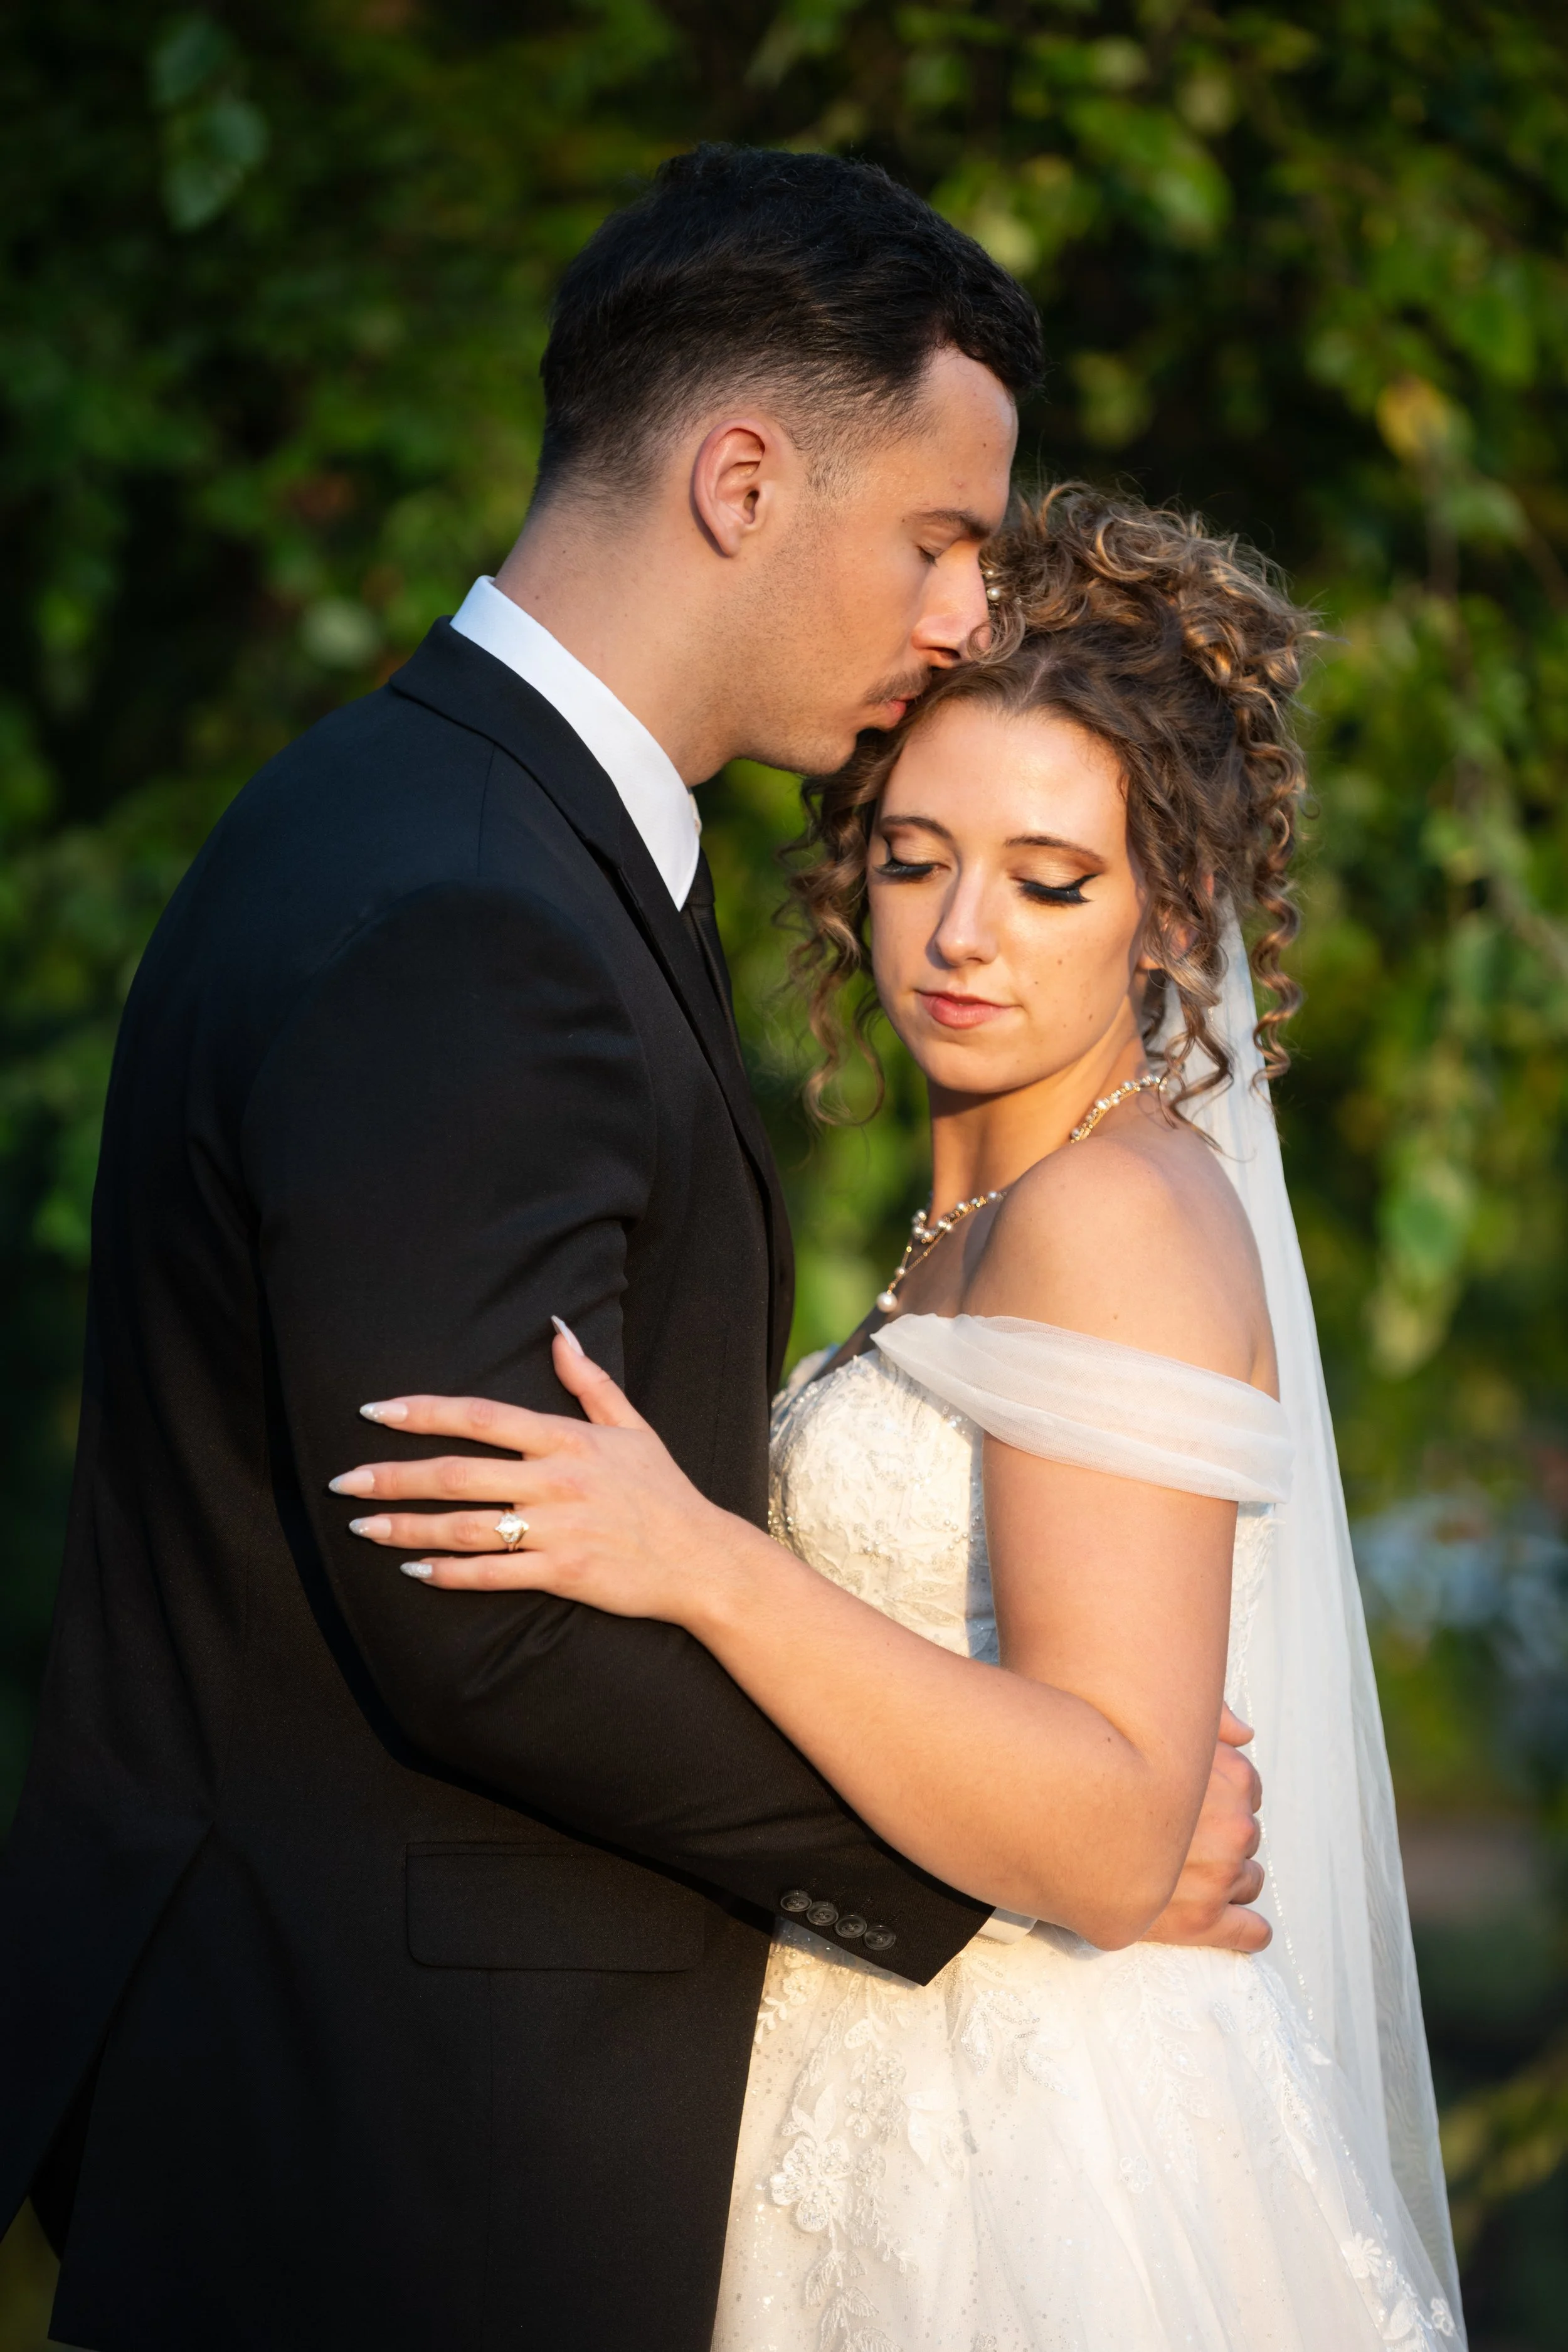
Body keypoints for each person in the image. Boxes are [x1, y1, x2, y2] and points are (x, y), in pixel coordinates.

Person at [0, 152, 1264, 2352]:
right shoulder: (476, 907)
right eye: (941, 536)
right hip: (400, 2140)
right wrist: (1029, 1862)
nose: (967, 611)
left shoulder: (433, 825)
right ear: (742, 475)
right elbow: (478, 1611)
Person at [337, 487, 1465, 2346]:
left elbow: (1110, 1831)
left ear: (1171, 908)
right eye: (914, 854)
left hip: (1036, 2150)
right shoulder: (979, 1220)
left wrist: (701, 1558)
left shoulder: (1109, 1214)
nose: (962, 936)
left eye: (1049, 879)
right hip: (875, 2059)